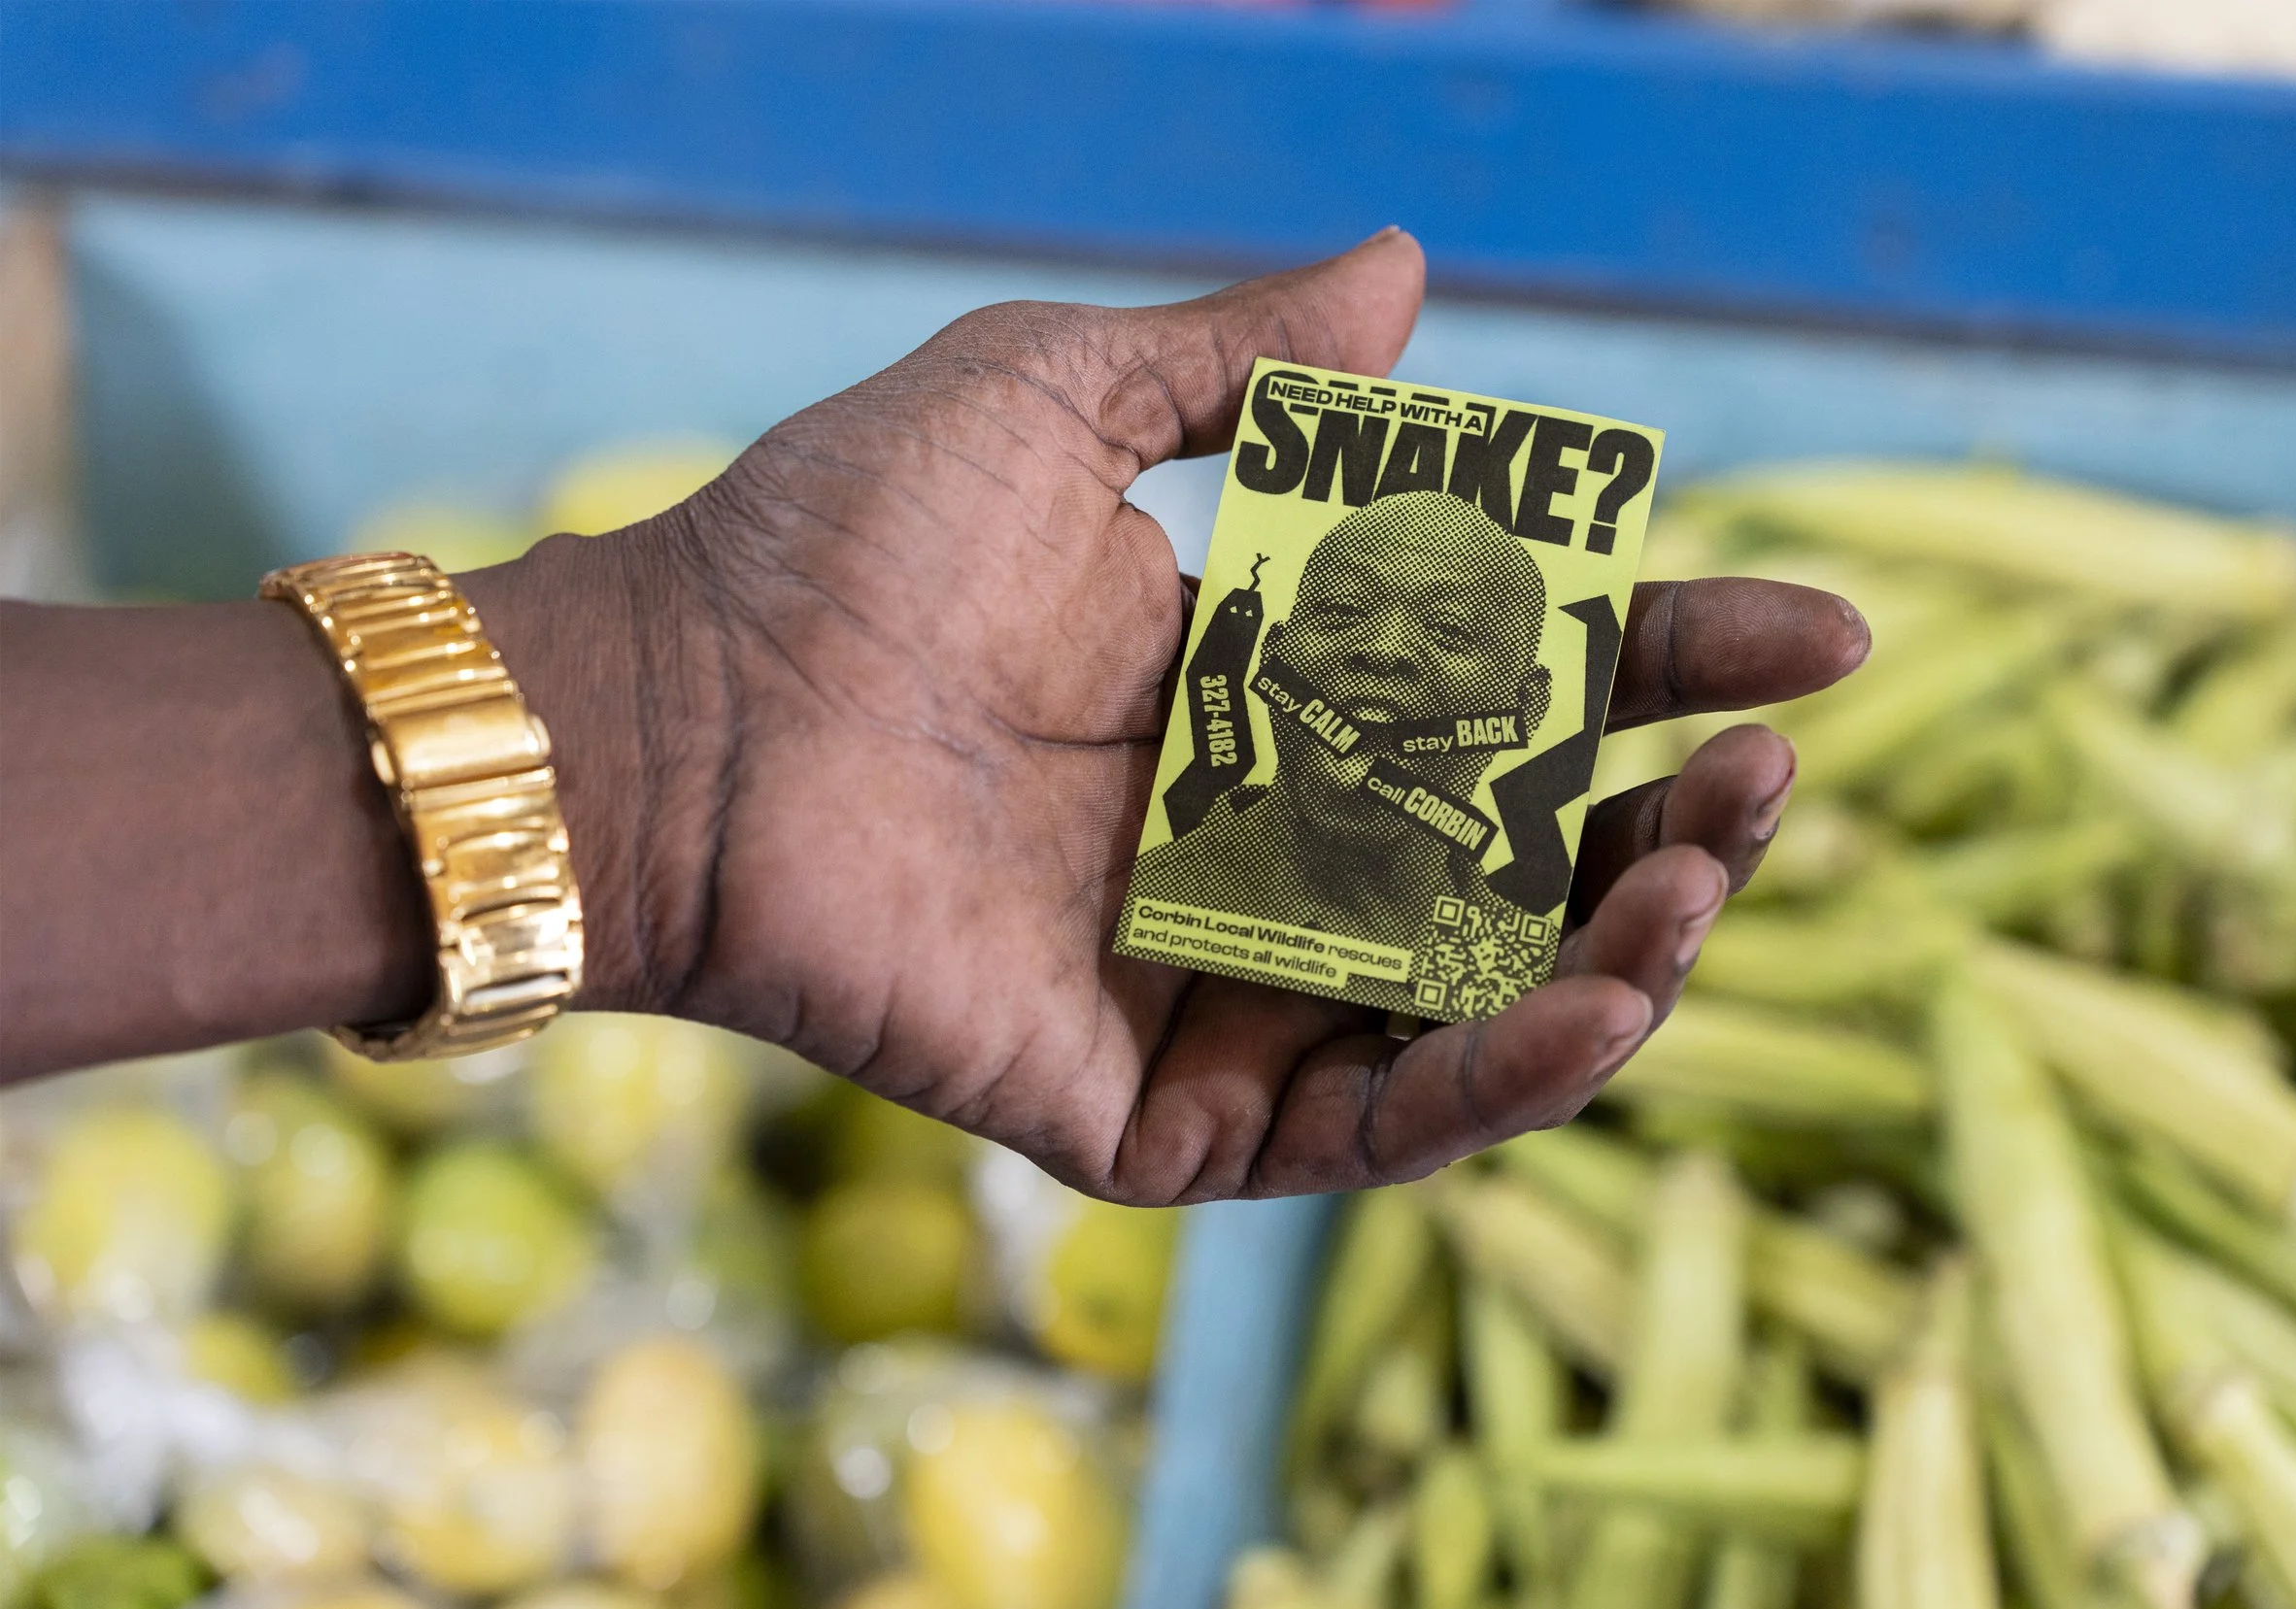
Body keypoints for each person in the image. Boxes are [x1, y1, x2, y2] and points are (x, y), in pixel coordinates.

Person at [0, 229, 1869, 1202]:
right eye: (1342, 613)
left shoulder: (1425, 851)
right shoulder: (1239, 798)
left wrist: (658, 752)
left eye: (1432, 646)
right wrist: (674, 731)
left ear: (1498, 706)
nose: (1367, 667)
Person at [1130, 487, 1559, 1003]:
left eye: (1451, 630)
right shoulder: (1162, 894)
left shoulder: (1497, 975)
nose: (1385, 651)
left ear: (1528, 705)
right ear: (1273, 657)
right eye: (1340, 613)